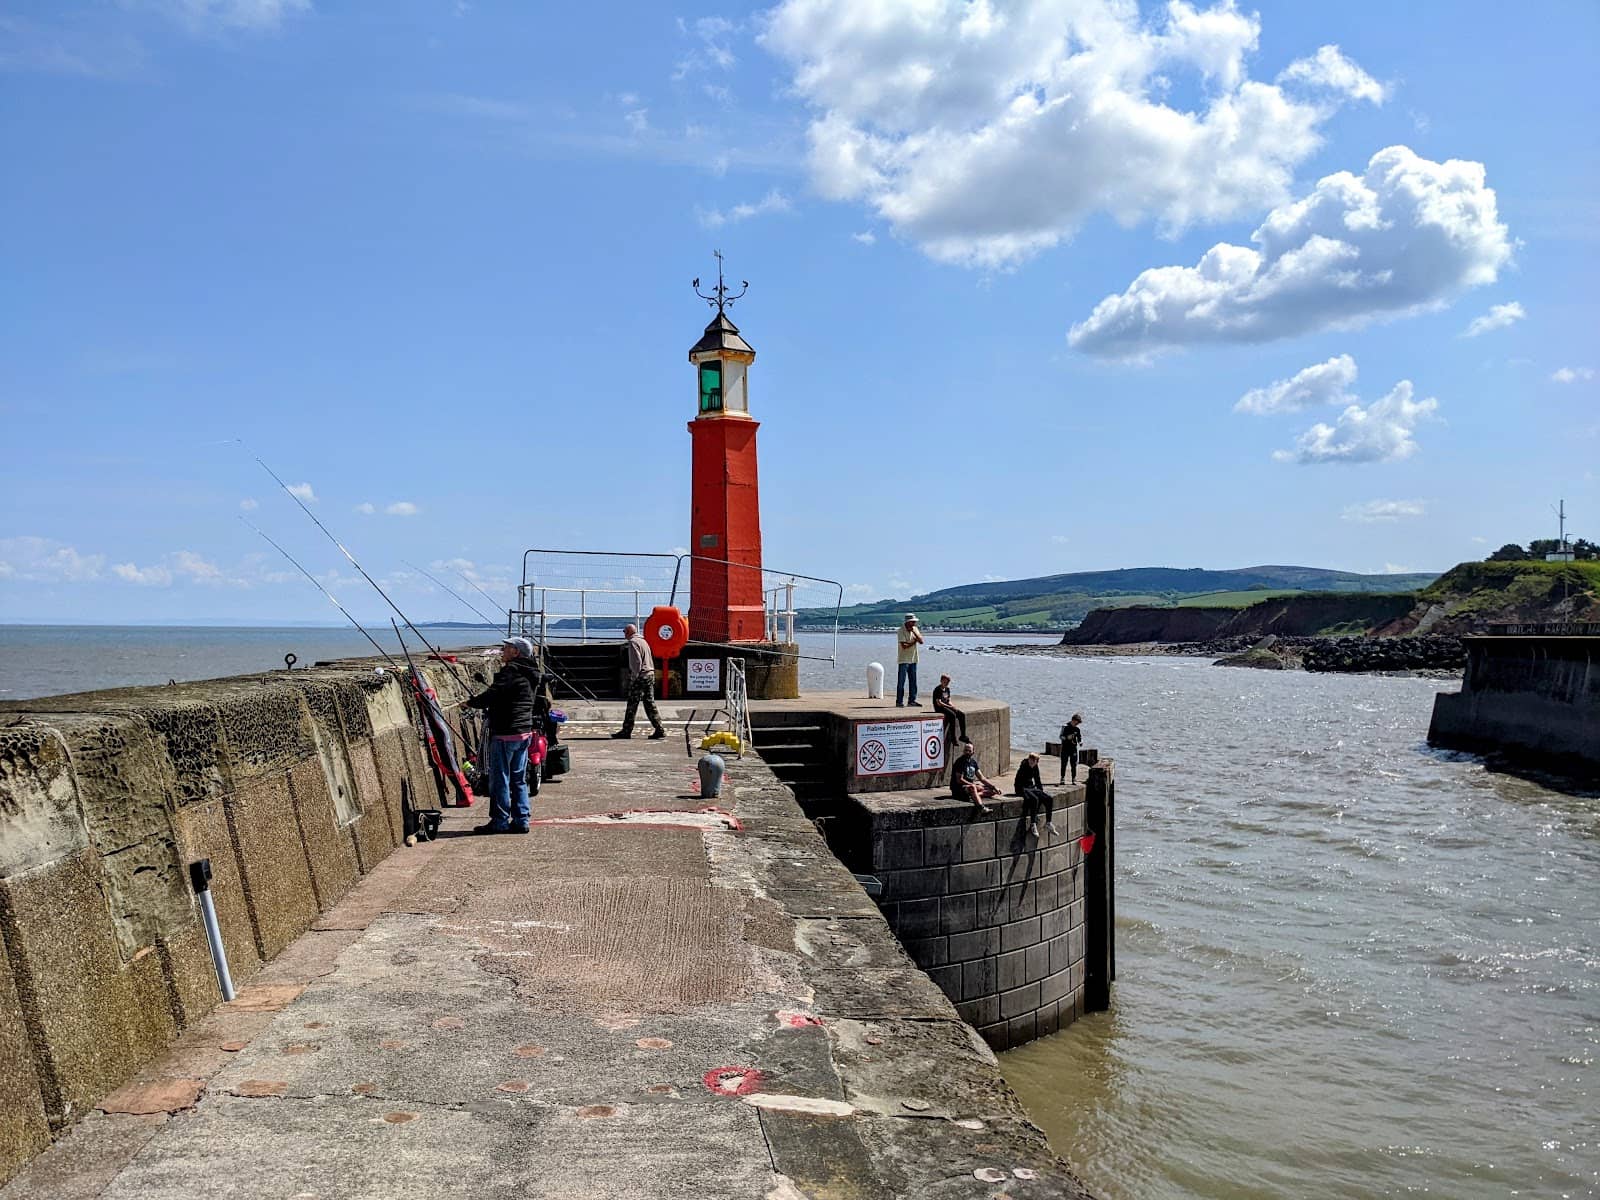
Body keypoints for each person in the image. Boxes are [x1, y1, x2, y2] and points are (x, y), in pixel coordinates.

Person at [466, 636, 541, 835]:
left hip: (506, 733)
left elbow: (492, 695)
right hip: (524, 732)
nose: (502, 650)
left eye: (506, 648)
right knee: (519, 779)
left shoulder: (511, 671)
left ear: (516, 652)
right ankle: (522, 820)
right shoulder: (531, 673)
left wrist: (470, 703)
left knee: (500, 779)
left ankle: (499, 821)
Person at [613, 624, 667, 740]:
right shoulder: (643, 641)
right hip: (649, 674)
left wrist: (634, 677)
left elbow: (636, 662)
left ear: (628, 632)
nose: (624, 634)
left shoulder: (633, 642)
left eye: (624, 631)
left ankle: (626, 730)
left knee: (632, 704)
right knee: (649, 703)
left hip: (641, 676)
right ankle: (659, 729)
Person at [1014, 752, 1057, 840]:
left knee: (1048, 798)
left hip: (1030, 787)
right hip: (1021, 788)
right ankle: (1033, 824)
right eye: (1031, 760)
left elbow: (1037, 780)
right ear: (1029, 759)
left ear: (1037, 762)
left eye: (1034, 761)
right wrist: (1026, 793)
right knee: (1034, 799)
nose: (1032, 763)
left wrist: (1041, 792)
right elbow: (1019, 782)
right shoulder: (1023, 766)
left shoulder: (1035, 767)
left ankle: (1048, 823)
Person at [950, 740, 1001, 812]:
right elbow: (959, 780)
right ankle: (981, 808)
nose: (967, 752)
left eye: (969, 751)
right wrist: (974, 785)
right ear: (963, 751)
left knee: (992, 790)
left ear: (973, 752)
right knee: (973, 787)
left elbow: (982, 778)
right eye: (966, 750)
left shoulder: (973, 762)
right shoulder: (960, 762)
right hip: (959, 789)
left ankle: (973, 796)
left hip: (969, 788)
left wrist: (993, 787)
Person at [895, 613, 924, 707]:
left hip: (913, 659)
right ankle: (899, 702)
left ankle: (912, 701)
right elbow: (904, 646)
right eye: (913, 622)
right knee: (901, 682)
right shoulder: (901, 631)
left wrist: (915, 633)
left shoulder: (915, 629)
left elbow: (921, 641)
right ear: (908, 622)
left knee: (913, 682)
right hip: (903, 660)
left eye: (914, 622)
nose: (914, 623)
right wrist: (914, 641)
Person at [931, 673, 966, 743]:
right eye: (945, 682)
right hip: (939, 708)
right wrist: (949, 707)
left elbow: (948, 700)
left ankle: (963, 736)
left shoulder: (947, 689)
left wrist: (953, 707)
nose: (946, 684)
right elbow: (939, 703)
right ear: (941, 681)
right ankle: (953, 737)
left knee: (961, 714)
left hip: (947, 706)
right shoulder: (937, 689)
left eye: (947, 682)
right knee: (952, 715)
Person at [1060, 713, 1083, 784]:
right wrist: (1067, 738)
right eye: (1077, 722)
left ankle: (1073, 778)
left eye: (1078, 723)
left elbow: (1079, 737)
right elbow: (1061, 736)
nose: (1077, 724)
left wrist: (1080, 742)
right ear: (1073, 720)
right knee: (1064, 763)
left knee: (1074, 764)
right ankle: (1062, 778)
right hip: (1065, 748)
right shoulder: (1065, 727)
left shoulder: (1077, 729)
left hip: (1073, 749)